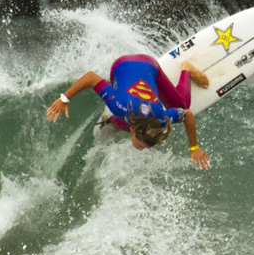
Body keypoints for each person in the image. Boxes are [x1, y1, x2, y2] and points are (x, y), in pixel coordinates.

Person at [46, 54, 212, 170]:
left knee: (182, 104)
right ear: (134, 129)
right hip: (122, 64)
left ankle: (187, 70)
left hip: (150, 67)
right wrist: (64, 99)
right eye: (140, 145)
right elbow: (91, 77)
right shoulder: (119, 107)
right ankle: (187, 68)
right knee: (118, 121)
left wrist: (194, 147)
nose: (140, 149)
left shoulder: (162, 118)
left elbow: (187, 114)